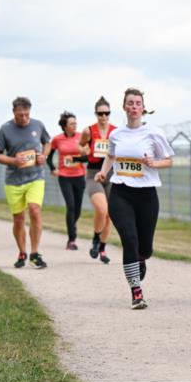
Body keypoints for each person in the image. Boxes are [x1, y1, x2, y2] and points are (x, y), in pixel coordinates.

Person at [96, 88, 174, 309]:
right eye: (130, 103)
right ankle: (136, 292)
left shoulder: (154, 133)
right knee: (129, 240)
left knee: (145, 248)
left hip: (147, 194)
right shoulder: (116, 134)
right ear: (124, 107)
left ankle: (140, 258)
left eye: (137, 103)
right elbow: (111, 155)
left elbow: (168, 160)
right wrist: (104, 172)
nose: (133, 107)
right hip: (120, 192)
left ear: (143, 107)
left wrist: (154, 164)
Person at [0, 97, 51, 268]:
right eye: (20, 115)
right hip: (14, 180)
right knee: (18, 219)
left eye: (26, 115)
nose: (24, 118)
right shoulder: (5, 129)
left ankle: (34, 253)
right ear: (14, 113)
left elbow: (47, 142)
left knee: (34, 210)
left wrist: (44, 156)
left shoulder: (38, 125)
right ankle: (22, 252)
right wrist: (13, 161)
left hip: (35, 177)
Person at [79, 96, 116, 263]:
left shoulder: (116, 131)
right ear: (96, 114)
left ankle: (102, 248)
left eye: (107, 113)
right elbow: (80, 145)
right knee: (101, 209)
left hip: (111, 173)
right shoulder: (88, 131)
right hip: (94, 173)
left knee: (109, 214)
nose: (104, 117)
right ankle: (95, 238)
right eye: (100, 113)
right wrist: (84, 149)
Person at [47, 111, 89, 249]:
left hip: (79, 176)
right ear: (64, 126)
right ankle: (72, 239)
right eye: (72, 124)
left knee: (77, 209)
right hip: (64, 177)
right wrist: (53, 168)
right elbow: (49, 156)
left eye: (75, 123)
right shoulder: (57, 139)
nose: (75, 126)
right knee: (70, 206)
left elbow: (88, 157)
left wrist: (76, 159)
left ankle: (71, 225)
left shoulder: (81, 137)